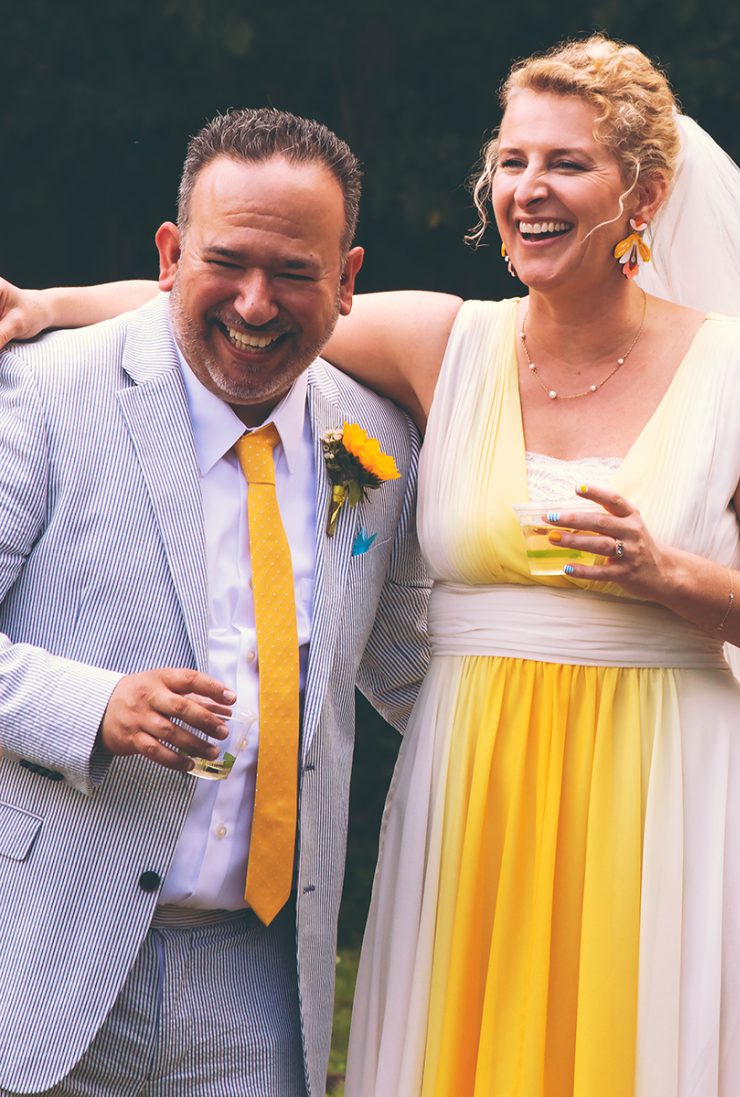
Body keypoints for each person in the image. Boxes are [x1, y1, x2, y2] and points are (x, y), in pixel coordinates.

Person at [3, 34, 740, 1097]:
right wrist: (43, 307)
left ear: (642, 193)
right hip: (479, 790)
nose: (528, 188)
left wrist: (670, 576)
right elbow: (233, 288)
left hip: (674, 783)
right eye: (511, 161)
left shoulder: (737, 366)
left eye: (566, 163)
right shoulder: (449, 346)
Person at [0, 107, 430, 1097]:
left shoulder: (379, 444)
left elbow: (420, 673)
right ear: (168, 254)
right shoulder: (40, 392)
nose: (254, 301)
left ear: (349, 278)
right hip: (44, 950)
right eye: (226, 261)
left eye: (294, 273)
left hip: (264, 975)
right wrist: (92, 705)